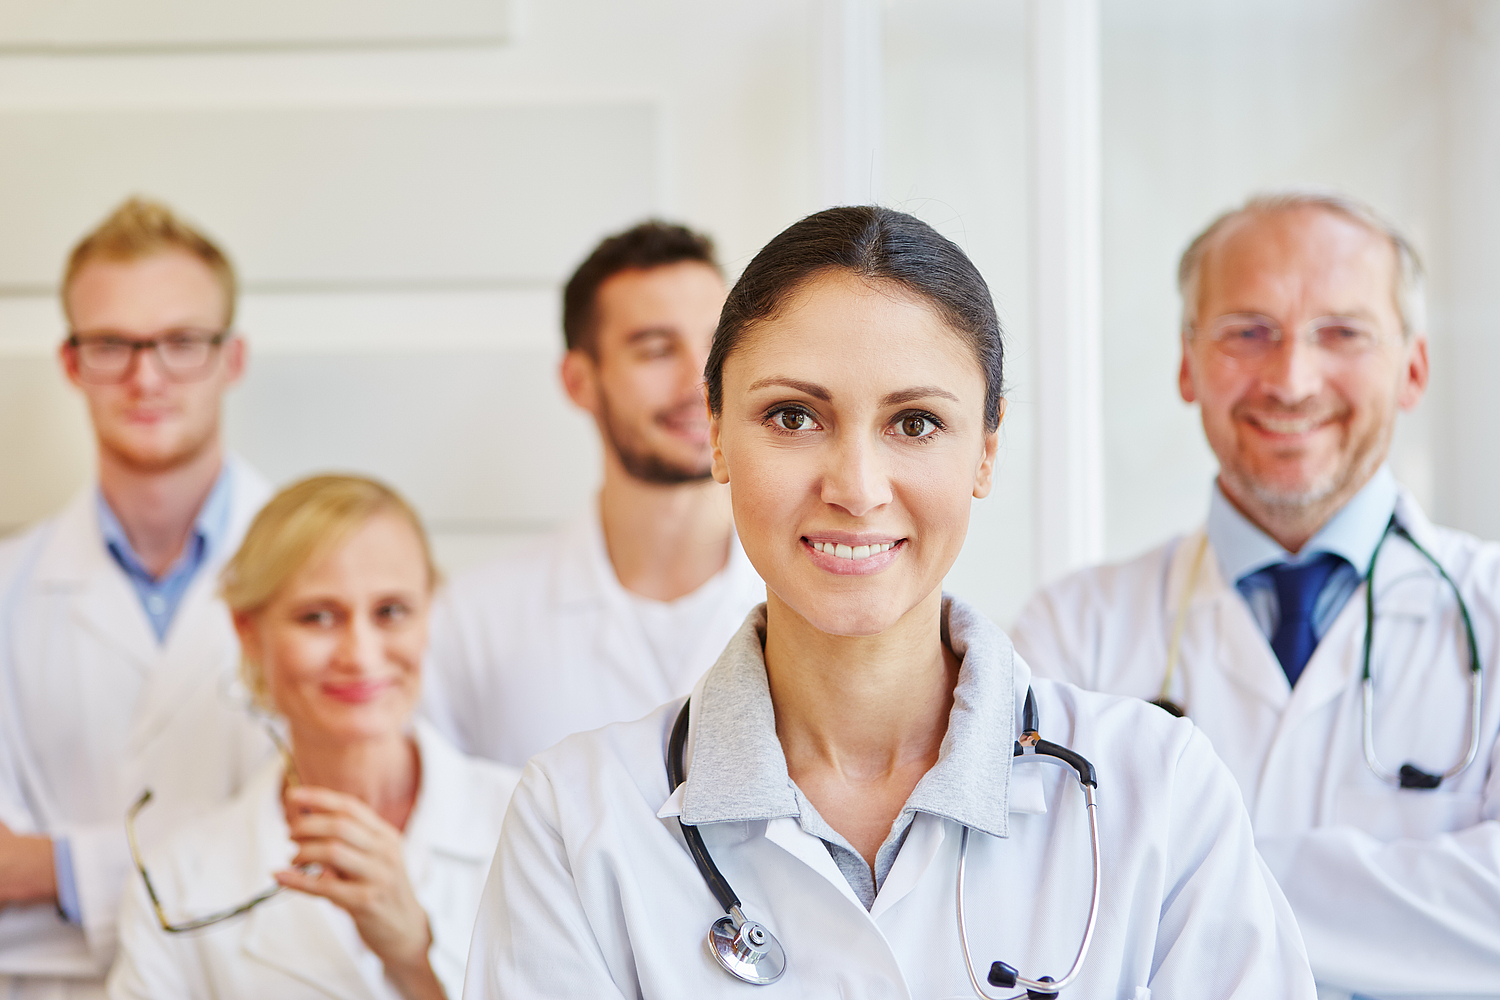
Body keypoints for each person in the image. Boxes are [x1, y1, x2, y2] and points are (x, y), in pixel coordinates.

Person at [461, 206, 1316, 998]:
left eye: (914, 424)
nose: (857, 488)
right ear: (717, 434)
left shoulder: (1159, 792)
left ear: (986, 449)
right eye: (794, 417)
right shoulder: (575, 820)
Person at [1011, 190, 1500, 999]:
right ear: (1186, 363)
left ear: (1412, 367)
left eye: (1342, 333)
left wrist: (1176, 872)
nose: (1292, 380)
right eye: (1248, 333)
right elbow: (1031, 902)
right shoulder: (1074, 630)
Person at [0, 197, 273, 998]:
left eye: (182, 342)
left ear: (234, 359)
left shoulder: (329, 580)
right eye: (112, 344)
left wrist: (51, 868)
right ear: (70, 363)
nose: (145, 376)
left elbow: (312, 850)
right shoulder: (8, 586)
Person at [109, 475, 521, 1000]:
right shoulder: (176, 884)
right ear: (248, 631)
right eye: (319, 617)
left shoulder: (530, 826)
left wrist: (413, 957)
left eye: (391, 612)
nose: (360, 655)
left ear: (428, 614)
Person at [423, 221, 764, 767]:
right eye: (656, 350)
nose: (700, 381)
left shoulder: (816, 600)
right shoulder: (473, 623)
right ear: (579, 380)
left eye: (716, 344)